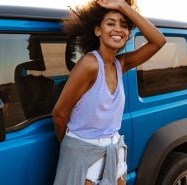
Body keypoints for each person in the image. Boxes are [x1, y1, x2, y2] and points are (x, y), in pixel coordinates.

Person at [52, 0, 166, 184]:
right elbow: (59, 113)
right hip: (85, 153)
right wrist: (72, 149)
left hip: (114, 150)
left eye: (124, 25)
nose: (118, 29)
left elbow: (158, 41)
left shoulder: (119, 64)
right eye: (110, 23)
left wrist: (123, 6)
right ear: (98, 30)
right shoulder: (89, 64)